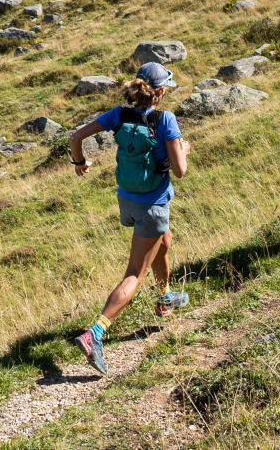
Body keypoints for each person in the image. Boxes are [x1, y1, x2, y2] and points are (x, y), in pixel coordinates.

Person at [70, 62, 191, 375]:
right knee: (135, 273)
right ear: (160, 91)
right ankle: (94, 333)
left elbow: (76, 137)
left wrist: (79, 162)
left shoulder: (118, 114)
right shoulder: (165, 119)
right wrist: (184, 149)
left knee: (164, 241)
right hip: (152, 204)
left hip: (127, 197)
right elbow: (180, 171)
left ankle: (165, 299)